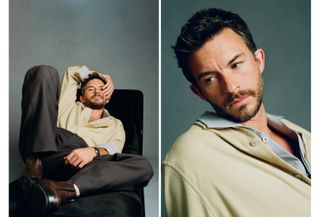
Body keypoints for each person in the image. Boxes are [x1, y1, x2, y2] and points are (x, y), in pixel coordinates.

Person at [162, 8, 310, 217]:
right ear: (199, 92)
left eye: (236, 65)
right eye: (210, 79)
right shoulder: (190, 157)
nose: (231, 87)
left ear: (259, 61)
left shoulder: (304, 137)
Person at [11, 65, 153, 216]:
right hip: (52, 148)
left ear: (108, 97)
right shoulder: (69, 107)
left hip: (85, 165)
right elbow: (72, 73)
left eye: (102, 89)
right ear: (82, 97)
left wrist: (92, 151)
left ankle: (61, 190)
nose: (98, 91)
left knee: (143, 166)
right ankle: (35, 163)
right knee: (45, 72)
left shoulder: (115, 124)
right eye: (91, 89)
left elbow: (113, 149)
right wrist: (104, 77)